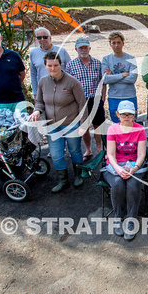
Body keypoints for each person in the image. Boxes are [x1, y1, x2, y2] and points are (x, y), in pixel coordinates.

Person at [28, 52, 87, 193]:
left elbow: (82, 104)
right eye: (49, 65)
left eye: (55, 65)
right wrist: (37, 110)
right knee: (56, 154)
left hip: (71, 123)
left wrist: (84, 124)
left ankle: (79, 175)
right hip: (52, 126)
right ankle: (63, 180)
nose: (53, 68)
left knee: (75, 150)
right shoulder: (43, 82)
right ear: (45, 66)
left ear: (61, 64)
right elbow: (40, 102)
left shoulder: (72, 82)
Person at [103, 100, 147, 240]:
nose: (126, 117)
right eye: (123, 114)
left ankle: (131, 220)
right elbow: (110, 154)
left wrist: (134, 169)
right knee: (117, 183)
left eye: (129, 114)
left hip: (134, 164)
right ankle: (118, 217)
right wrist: (118, 168)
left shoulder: (139, 129)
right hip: (115, 164)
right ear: (117, 115)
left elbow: (141, 154)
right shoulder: (112, 129)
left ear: (135, 114)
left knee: (133, 184)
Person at [65, 37, 106, 160]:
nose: (83, 50)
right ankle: (88, 150)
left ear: (90, 48)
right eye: (81, 48)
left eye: (85, 47)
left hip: (96, 99)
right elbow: (68, 86)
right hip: (80, 102)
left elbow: (103, 82)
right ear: (76, 49)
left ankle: (99, 149)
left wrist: (103, 98)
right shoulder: (71, 65)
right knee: (85, 127)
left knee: (98, 126)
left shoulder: (98, 63)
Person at [102, 32, 138, 123]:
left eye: (118, 42)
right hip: (114, 97)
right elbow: (105, 79)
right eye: (113, 43)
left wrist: (113, 76)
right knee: (116, 125)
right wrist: (123, 75)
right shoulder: (106, 59)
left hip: (129, 96)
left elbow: (132, 78)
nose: (116, 45)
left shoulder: (131, 58)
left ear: (123, 43)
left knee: (131, 125)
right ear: (110, 44)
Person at [29, 27, 71, 98]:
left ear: (50, 38)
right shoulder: (33, 53)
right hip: (44, 91)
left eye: (45, 37)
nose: (42, 40)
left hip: (62, 90)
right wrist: (35, 93)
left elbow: (70, 70)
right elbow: (33, 74)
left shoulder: (62, 51)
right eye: (39, 38)